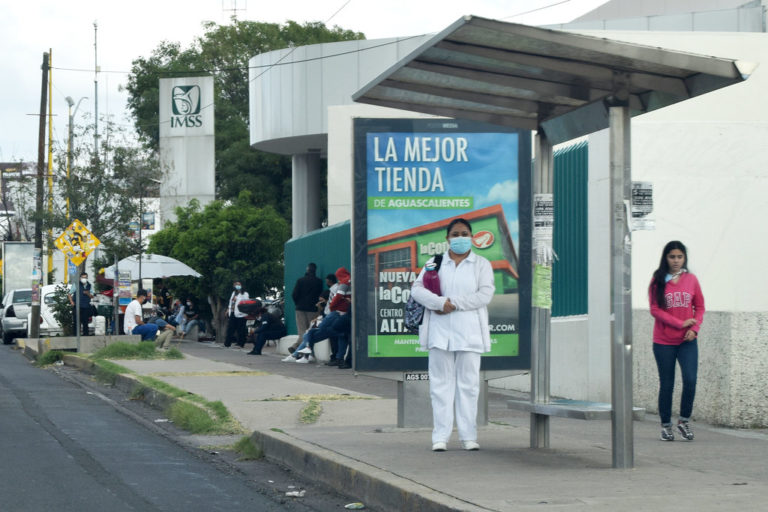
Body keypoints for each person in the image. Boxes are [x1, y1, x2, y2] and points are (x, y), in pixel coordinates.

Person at [410, 218, 495, 452]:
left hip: (469, 332)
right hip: (440, 331)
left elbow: (485, 295)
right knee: (440, 385)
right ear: (447, 238)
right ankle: (440, 437)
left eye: (464, 233)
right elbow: (417, 290)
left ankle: (469, 436)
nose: (460, 238)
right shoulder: (434, 263)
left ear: (472, 236)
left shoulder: (481, 264)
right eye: (455, 234)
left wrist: (453, 304)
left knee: (468, 386)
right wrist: (438, 302)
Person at [648, 241, 705, 442]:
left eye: (679, 257)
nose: (676, 260)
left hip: (687, 341)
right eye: (672, 257)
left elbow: (700, 307)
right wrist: (680, 323)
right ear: (666, 258)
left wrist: (694, 329)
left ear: (684, 258)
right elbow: (655, 309)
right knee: (667, 384)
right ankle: (665, 425)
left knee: (690, 380)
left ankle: (684, 421)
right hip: (663, 342)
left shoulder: (691, 279)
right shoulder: (657, 281)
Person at [291, 262, 323, 343]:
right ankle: (304, 350)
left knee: (302, 330)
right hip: (313, 309)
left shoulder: (300, 280)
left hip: (300, 308)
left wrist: (297, 304)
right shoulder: (319, 282)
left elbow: (294, 294)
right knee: (310, 330)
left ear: (307, 270)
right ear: (315, 270)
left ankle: (297, 348)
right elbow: (320, 295)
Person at [224, 280, 249, 348]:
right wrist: (228, 309)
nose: (237, 286)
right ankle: (227, 343)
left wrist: (237, 298)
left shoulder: (245, 293)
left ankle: (241, 343)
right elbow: (231, 302)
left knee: (240, 329)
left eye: (239, 284)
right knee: (230, 328)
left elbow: (245, 301)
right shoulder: (233, 293)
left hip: (241, 313)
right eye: (236, 285)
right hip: (233, 311)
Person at [68, 271, 94, 336]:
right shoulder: (76, 284)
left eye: (85, 277)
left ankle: (85, 335)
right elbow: (69, 294)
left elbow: (92, 296)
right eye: (83, 277)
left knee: (85, 322)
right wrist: (71, 302)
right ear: (80, 278)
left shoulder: (89, 285)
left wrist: (88, 293)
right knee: (76, 322)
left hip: (86, 306)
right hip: (77, 306)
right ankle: (76, 335)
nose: (84, 279)